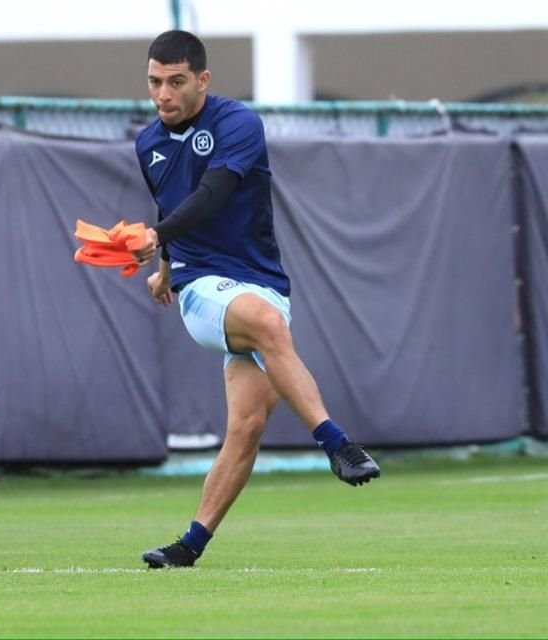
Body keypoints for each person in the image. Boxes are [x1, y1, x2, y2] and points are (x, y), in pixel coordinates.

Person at [132, 30, 381, 569]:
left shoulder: (238, 124)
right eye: (155, 82)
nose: (163, 95)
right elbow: (177, 212)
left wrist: (157, 240)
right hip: (201, 287)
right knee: (268, 326)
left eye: (176, 82)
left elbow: (211, 195)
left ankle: (188, 546)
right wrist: (167, 270)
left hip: (262, 282)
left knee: (245, 429)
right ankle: (338, 444)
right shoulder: (147, 144)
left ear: (203, 80)